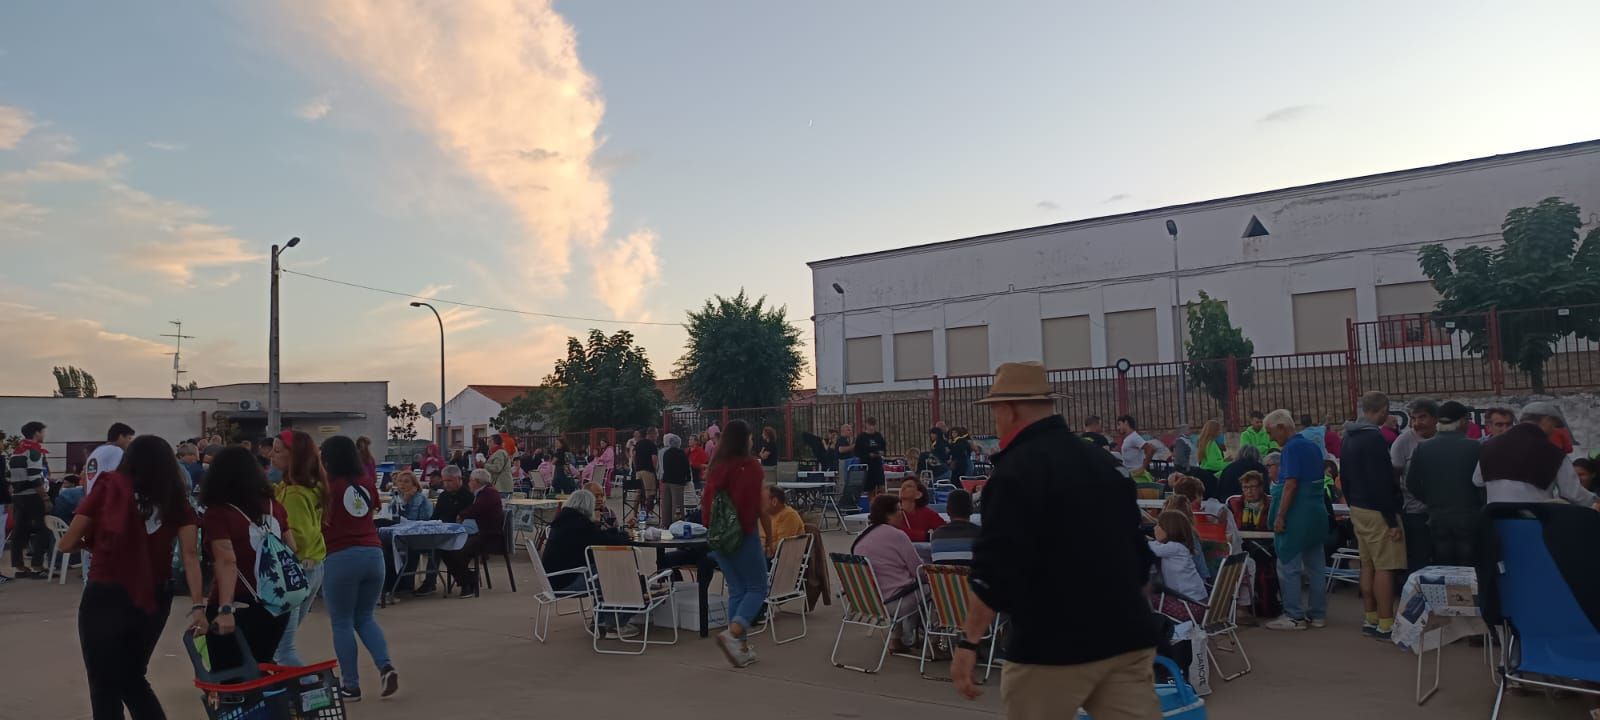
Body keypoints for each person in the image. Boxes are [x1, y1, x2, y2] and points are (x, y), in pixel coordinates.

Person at [953, 362, 1159, 717]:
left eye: (995, 411)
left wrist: (969, 641)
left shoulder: (1015, 472)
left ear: (1009, 409)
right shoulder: (1104, 462)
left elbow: (995, 570)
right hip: (1126, 637)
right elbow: (1138, 552)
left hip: (1050, 647)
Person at [60, 435, 206, 720]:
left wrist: (98, 542)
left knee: (102, 681)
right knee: (132, 676)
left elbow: (66, 543)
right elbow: (190, 555)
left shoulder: (107, 488)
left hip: (106, 592)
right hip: (154, 596)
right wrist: (199, 605)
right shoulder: (175, 498)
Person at [199, 447, 293, 677]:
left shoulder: (218, 513)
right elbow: (292, 548)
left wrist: (225, 609)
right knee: (261, 670)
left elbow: (227, 561)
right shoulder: (275, 507)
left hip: (237, 603)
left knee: (230, 677)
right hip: (275, 604)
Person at [318, 435, 400, 702]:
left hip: (340, 555)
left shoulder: (327, 486)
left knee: (341, 622)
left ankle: (350, 685)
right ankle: (385, 665)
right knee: (365, 617)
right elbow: (374, 506)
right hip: (374, 554)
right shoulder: (365, 482)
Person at [700, 420, 773, 669]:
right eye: (751, 437)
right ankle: (733, 633)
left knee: (737, 589)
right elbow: (762, 507)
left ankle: (740, 648)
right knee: (757, 588)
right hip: (744, 533)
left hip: (718, 536)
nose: (753, 441)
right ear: (744, 439)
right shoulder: (751, 466)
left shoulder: (715, 467)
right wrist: (770, 537)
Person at [1340, 391, 1406, 639]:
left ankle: (1371, 618)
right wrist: (1391, 519)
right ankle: (1386, 623)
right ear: (1384, 409)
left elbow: (1343, 476)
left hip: (1357, 507)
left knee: (1366, 563)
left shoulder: (1348, 435)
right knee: (1385, 567)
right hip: (1378, 509)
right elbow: (1383, 481)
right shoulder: (1374, 438)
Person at [1264, 409, 1329, 631]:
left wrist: (1280, 516)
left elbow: (1290, 484)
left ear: (1282, 427)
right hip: (1316, 513)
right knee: (1316, 567)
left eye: (1271, 432)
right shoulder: (1312, 446)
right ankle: (1318, 614)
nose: (1270, 437)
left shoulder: (1291, 449)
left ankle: (1294, 616)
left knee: (1288, 564)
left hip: (1297, 514)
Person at [272, 430, 328, 668]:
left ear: (294, 456)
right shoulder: (310, 486)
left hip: (295, 572)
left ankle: (311, 691)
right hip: (313, 567)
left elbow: (298, 538)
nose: (271, 456)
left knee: (282, 650)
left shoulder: (294, 492)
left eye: (277, 451)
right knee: (281, 644)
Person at [1474, 402, 1600, 508]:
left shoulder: (1489, 446)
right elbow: (1573, 494)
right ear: (1546, 420)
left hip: (1497, 521)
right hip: (1535, 522)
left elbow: (1478, 481)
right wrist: (1595, 501)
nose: (1554, 430)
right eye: (1554, 425)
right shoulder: (1553, 453)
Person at [1405, 401, 1485, 567]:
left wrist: (1430, 500)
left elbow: (1411, 483)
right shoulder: (1476, 447)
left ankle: (1449, 594)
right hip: (1469, 516)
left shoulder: (1423, 448)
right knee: (1469, 566)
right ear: (1463, 421)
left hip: (1437, 517)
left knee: (1444, 564)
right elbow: (1483, 484)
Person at [851, 494, 925, 652]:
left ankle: (896, 639)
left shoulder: (860, 539)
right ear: (888, 514)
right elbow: (917, 570)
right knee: (932, 589)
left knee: (898, 584)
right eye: (898, 510)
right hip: (893, 603)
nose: (901, 513)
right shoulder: (897, 536)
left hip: (866, 602)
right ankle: (934, 641)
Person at [540, 490, 626, 591]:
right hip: (566, 582)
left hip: (553, 579)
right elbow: (606, 541)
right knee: (616, 570)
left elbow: (597, 537)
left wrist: (615, 531)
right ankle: (617, 602)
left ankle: (607, 603)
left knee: (607, 567)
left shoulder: (564, 519)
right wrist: (625, 535)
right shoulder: (580, 523)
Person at [1391, 399, 1439, 573]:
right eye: (1414, 418)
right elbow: (1394, 478)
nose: (1417, 423)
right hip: (1414, 513)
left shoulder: (1443, 439)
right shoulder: (1403, 442)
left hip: (1441, 511)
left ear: (1435, 419)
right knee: (1418, 560)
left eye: (1422, 417)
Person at [440, 468, 504, 598]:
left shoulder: (489, 493)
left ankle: (467, 583)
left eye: (470, 481)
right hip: (480, 532)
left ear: (476, 481)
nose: (468, 483)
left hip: (488, 536)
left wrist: (461, 515)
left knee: (457, 550)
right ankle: (468, 580)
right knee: (445, 549)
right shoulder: (483, 492)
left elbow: (476, 509)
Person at [1227, 471, 1283, 618]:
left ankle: (1261, 603)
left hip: (1266, 544)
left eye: (1253, 487)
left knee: (1261, 560)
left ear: (1261, 487)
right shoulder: (1234, 504)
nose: (1249, 491)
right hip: (1242, 544)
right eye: (1245, 487)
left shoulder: (1271, 503)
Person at [413, 466, 472, 596]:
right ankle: (430, 582)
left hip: (464, 533)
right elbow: (435, 516)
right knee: (434, 546)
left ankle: (466, 582)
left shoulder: (468, 495)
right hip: (443, 532)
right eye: (444, 481)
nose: (446, 484)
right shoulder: (443, 496)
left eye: (450, 481)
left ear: (459, 479)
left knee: (443, 548)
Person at [9, 420, 52, 578]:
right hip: (33, 496)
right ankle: (37, 566)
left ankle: (19, 566)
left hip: (18, 497)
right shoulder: (33, 451)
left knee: (20, 531)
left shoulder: (17, 450)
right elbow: (34, 477)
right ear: (36, 433)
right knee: (43, 530)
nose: (44, 435)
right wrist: (45, 498)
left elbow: (10, 476)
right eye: (42, 432)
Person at [1149, 510, 1208, 618]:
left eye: (1158, 525)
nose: (1154, 528)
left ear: (1169, 529)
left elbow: (1151, 549)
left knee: (1146, 599)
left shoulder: (1175, 547)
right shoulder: (1180, 546)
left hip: (1190, 607)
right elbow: (1155, 546)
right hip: (1200, 604)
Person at [929, 489, 980, 566]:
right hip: (973, 577)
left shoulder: (936, 536)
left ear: (948, 510)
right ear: (971, 510)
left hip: (944, 578)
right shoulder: (980, 535)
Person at [83, 422, 135, 495]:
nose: (130, 442)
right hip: (106, 500)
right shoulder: (116, 450)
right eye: (129, 438)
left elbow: (85, 481)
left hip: (93, 500)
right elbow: (121, 476)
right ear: (121, 437)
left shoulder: (94, 453)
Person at [890, 477, 947, 542]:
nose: (902, 488)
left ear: (918, 495)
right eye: (901, 486)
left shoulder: (926, 513)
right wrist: (927, 536)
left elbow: (944, 530)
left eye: (909, 486)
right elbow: (895, 531)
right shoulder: (892, 511)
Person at [760, 486, 806, 556]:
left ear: (774, 501)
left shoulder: (789, 515)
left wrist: (762, 552)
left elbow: (782, 545)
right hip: (766, 555)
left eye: (763, 500)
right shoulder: (766, 516)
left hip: (780, 559)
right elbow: (761, 537)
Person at [853, 418, 888, 499]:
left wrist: (881, 452)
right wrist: (868, 455)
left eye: (873, 425)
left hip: (877, 464)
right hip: (867, 465)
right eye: (870, 425)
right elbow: (857, 452)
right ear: (866, 425)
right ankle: (871, 507)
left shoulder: (878, 436)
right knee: (870, 490)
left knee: (882, 487)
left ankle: (883, 504)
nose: (871, 427)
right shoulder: (861, 437)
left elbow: (883, 448)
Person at [660, 434, 691, 523]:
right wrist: (688, 478)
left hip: (666, 480)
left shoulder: (666, 453)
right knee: (677, 504)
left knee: (666, 504)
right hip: (677, 481)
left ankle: (666, 522)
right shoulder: (681, 453)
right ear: (679, 444)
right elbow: (686, 466)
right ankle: (677, 522)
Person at [1115, 415, 1155, 481]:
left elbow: (1151, 448)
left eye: (1119, 424)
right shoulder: (1129, 438)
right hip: (1132, 475)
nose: (1118, 428)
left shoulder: (1134, 437)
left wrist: (1143, 468)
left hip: (1137, 477)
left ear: (1126, 422)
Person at [633, 428, 660, 524]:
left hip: (638, 471)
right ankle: (646, 515)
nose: (657, 436)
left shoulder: (639, 443)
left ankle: (634, 514)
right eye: (657, 434)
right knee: (650, 494)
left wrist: (636, 467)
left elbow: (634, 456)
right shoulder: (652, 445)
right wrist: (655, 470)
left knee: (639, 493)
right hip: (648, 471)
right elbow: (654, 458)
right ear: (652, 434)